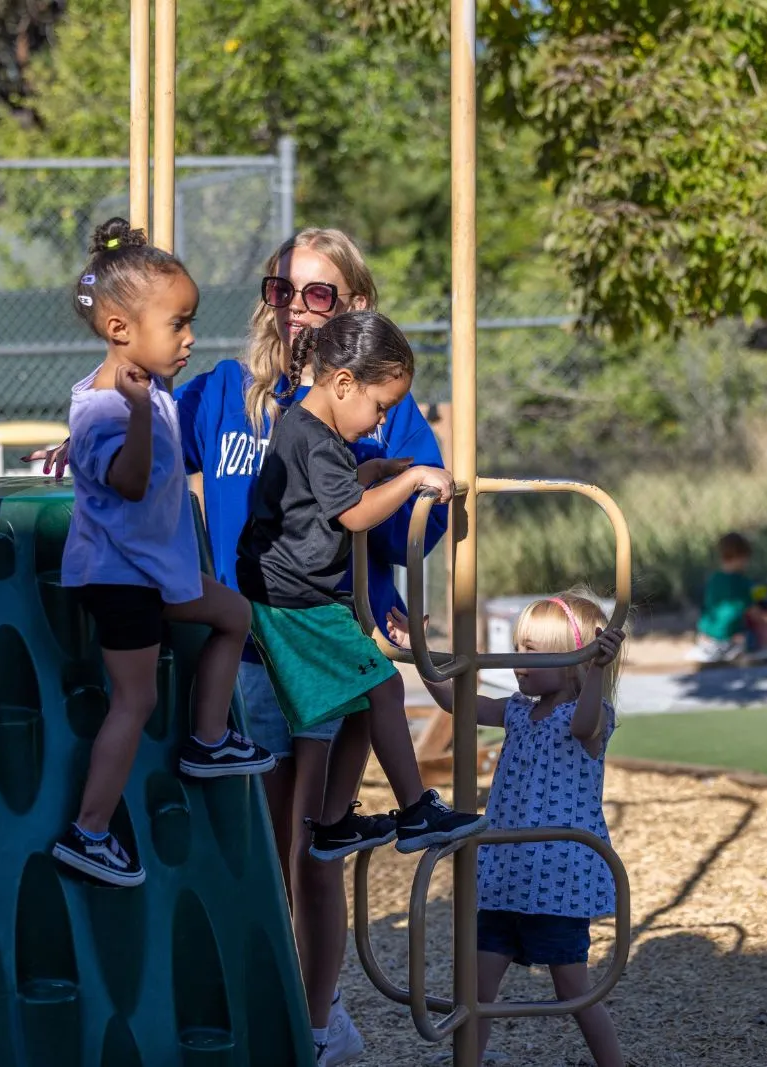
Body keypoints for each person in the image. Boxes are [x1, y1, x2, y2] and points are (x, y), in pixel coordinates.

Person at [32, 228, 445, 1063]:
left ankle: (316, 1016)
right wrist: (82, 441)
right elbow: (139, 434)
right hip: (246, 648)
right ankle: (260, 1003)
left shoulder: (373, 402)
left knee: (312, 844)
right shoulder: (228, 393)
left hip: (317, 639)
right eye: (281, 290)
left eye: (319, 293)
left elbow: (408, 527)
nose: (296, 307)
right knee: (255, 841)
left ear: (354, 307)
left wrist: (393, 578)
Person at [237, 309, 487, 1065]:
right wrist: (407, 475)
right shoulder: (311, 434)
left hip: (295, 599)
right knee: (380, 685)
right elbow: (348, 512)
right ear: (341, 382)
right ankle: (415, 811)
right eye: (379, 406)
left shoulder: (312, 431)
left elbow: (340, 492)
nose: (380, 420)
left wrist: (377, 469)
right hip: (294, 604)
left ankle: (341, 821)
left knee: (355, 707)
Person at [52, 218, 274, 888]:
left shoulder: (146, 390)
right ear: (122, 330)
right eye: (178, 323)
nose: (190, 337)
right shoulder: (111, 406)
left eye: (190, 321)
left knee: (235, 614)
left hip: (154, 572)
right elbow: (126, 477)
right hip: (121, 580)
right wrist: (140, 414)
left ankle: (209, 738)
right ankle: (90, 830)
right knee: (135, 700)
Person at [392, 591, 627, 1067]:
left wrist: (598, 669)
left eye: (534, 651)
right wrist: (419, 653)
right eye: (518, 648)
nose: (519, 662)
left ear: (575, 660)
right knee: (477, 990)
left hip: (557, 883)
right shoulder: (518, 710)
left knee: (573, 990)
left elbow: (584, 727)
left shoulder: (592, 714)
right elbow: (457, 701)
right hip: (506, 874)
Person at [688, 531, 767, 663]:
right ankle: (760, 648)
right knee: (760, 627)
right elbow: (754, 613)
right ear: (741, 557)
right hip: (727, 641)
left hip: (705, 639)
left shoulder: (714, 579)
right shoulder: (741, 583)